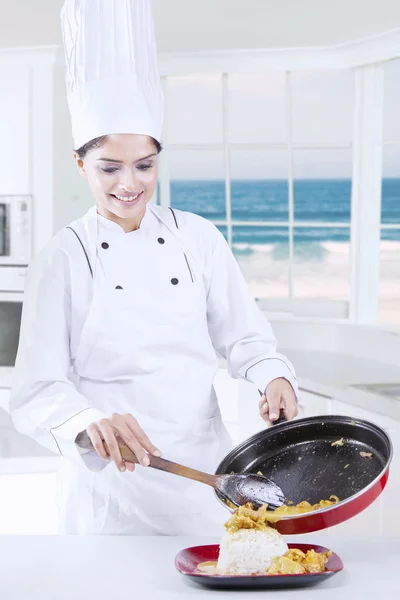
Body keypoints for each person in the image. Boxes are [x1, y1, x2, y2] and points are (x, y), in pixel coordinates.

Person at [9, 0, 299, 536]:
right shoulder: (63, 256)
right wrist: (86, 421)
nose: (129, 184)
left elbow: (243, 335)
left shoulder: (197, 236)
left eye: (145, 165)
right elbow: (36, 389)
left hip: (207, 474)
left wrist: (272, 374)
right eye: (109, 168)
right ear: (80, 164)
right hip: (112, 484)